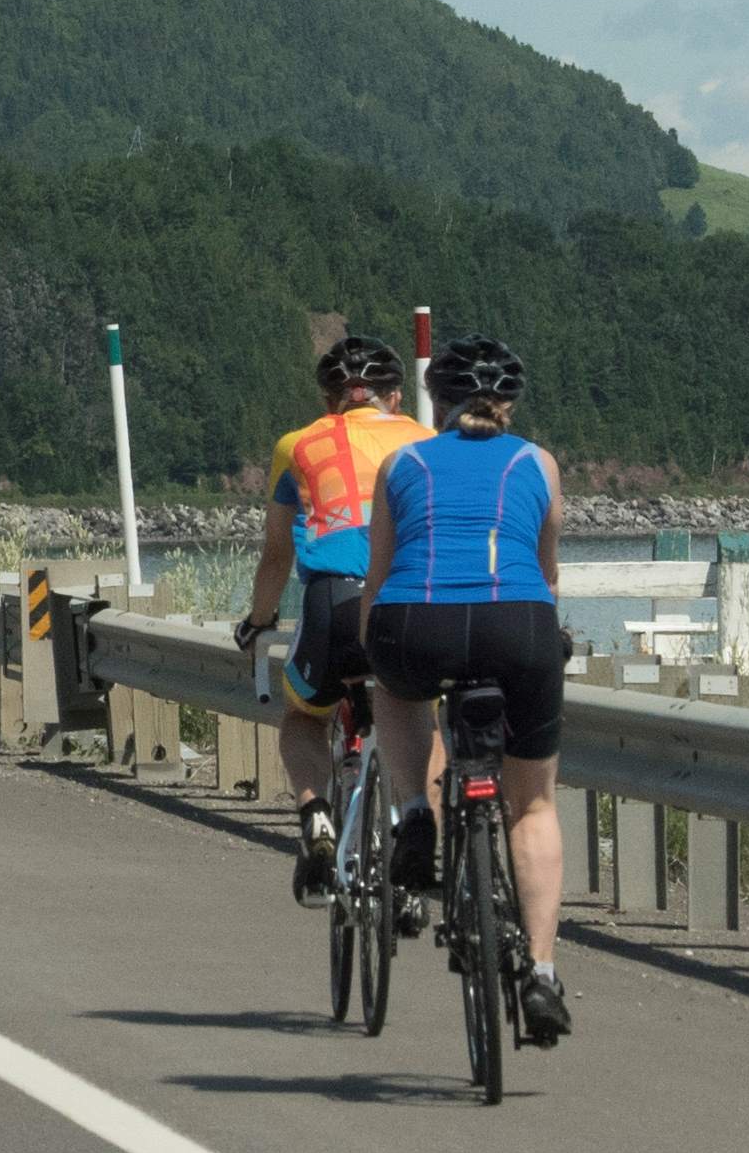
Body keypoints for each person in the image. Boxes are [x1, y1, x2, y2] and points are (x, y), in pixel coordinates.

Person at [359, 339, 576, 1045]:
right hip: (519, 627)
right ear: (508, 406)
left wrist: (376, 653)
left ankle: (416, 813)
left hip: (415, 623)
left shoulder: (402, 462)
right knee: (533, 803)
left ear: (438, 404)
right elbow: (545, 578)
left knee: (391, 683)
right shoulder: (536, 464)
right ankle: (542, 975)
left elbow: (380, 575)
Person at [236, 333, 428, 904]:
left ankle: (316, 814)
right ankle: (419, 833)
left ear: (329, 400)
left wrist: (258, 619)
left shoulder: (297, 445)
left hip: (334, 605)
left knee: (303, 717)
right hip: (410, 603)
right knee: (419, 716)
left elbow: (277, 553)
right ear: (395, 398)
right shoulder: (425, 441)